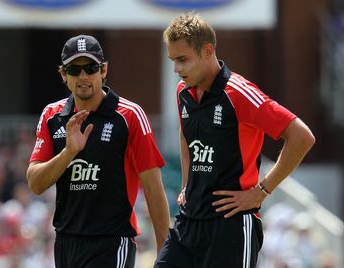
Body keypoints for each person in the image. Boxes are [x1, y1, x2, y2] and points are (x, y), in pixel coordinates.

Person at [154, 13, 315, 268]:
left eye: (183, 60)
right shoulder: (183, 92)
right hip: (188, 222)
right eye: (173, 61)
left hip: (231, 225)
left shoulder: (240, 93)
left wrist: (261, 192)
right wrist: (187, 184)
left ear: (207, 51)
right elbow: (186, 134)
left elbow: (301, 136)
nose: (177, 69)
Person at [26, 34, 170, 268]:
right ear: (63, 75)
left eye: (91, 68)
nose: (83, 76)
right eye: (75, 69)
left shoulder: (130, 115)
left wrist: (166, 253)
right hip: (66, 242)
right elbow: (35, 183)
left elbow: (153, 187)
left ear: (103, 70)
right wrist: (68, 153)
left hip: (112, 241)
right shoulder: (52, 115)